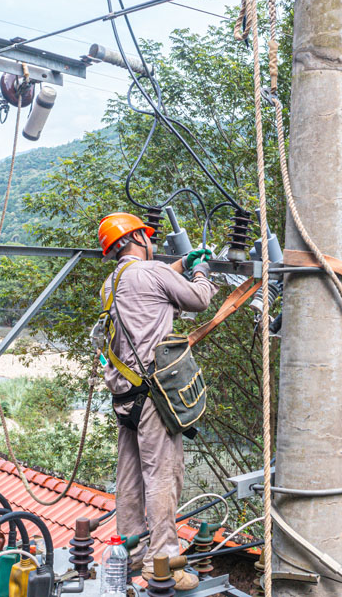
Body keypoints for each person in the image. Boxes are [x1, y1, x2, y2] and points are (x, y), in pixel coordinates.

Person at [96, 212, 217, 590]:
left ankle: (132, 553)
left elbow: (154, 286)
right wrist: (202, 271)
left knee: (130, 478)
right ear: (138, 239)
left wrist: (181, 263)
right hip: (152, 398)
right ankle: (161, 561)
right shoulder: (151, 273)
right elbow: (198, 300)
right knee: (163, 476)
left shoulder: (112, 281)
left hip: (124, 396)